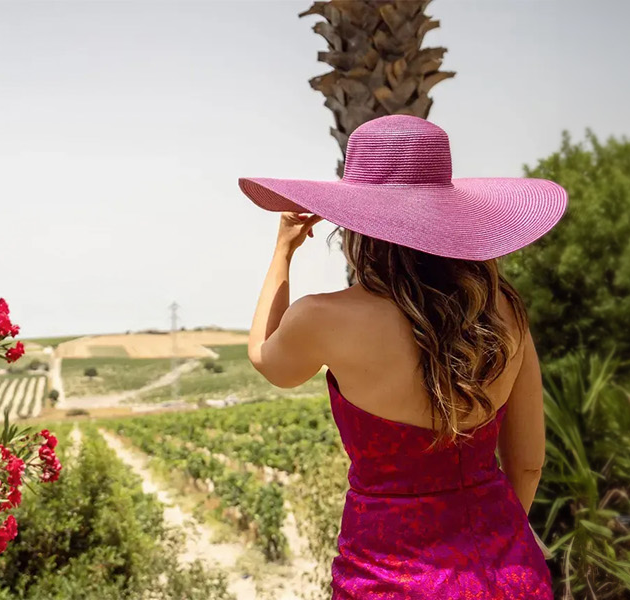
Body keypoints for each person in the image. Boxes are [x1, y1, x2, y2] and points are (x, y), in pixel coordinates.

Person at [239, 114, 563, 598]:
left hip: (388, 577)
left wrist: (282, 252)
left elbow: (267, 358)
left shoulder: (322, 318)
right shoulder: (502, 310)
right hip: (507, 571)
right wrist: (489, 545)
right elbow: (529, 464)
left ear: (356, 224)